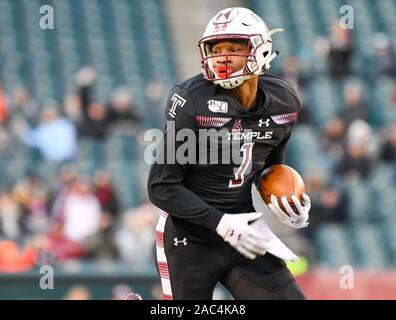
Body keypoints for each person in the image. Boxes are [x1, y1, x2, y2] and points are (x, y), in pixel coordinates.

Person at [147, 7, 311, 300]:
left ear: (261, 51)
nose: (222, 56)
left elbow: (268, 170)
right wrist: (219, 222)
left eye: (234, 48)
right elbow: (161, 186)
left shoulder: (283, 102)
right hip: (190, 239)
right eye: (216, 48)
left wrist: (288, 204)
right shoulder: (191, 100)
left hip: (243, 233)